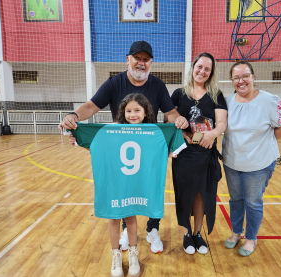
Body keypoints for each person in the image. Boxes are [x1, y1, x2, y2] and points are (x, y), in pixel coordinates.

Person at [59, 40, 188, 255]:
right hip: (120, 148)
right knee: (124, 187)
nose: (141, 63)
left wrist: (180, 120)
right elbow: (91, 106)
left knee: (151, 185)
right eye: (137, 58)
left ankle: (152, 229)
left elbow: (171, 112)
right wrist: (73, 116)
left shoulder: (158, 85)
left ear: (151, 63)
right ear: (127, 59)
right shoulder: (113, 83)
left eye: (146, 60)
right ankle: (126, 230)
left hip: (149, 149)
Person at [222, 61, 281, 257]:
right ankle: (236, 232)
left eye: (245, 76)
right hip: (232, 163)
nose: (241, 81)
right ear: (232, 81)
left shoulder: (270, 100)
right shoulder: (226, 102)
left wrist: (265, 143)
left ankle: (251, 237)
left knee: (252, 202)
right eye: (236, 77)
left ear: (253, 76)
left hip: (258, 164)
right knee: (236, 199)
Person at [170, 52, 227, 255]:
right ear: (193, 67)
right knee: (185, 193)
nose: (202, 71)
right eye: (199, 66)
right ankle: (186, 233)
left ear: (211, 73)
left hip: (205, 152)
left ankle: (198, 233)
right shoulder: (178, 93)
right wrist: (182, 130)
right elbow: (170, 118)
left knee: (201, 195)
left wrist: (212, 133)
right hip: (184, 154)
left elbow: (222, 123)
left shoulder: (216, 95)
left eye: (207, 69)